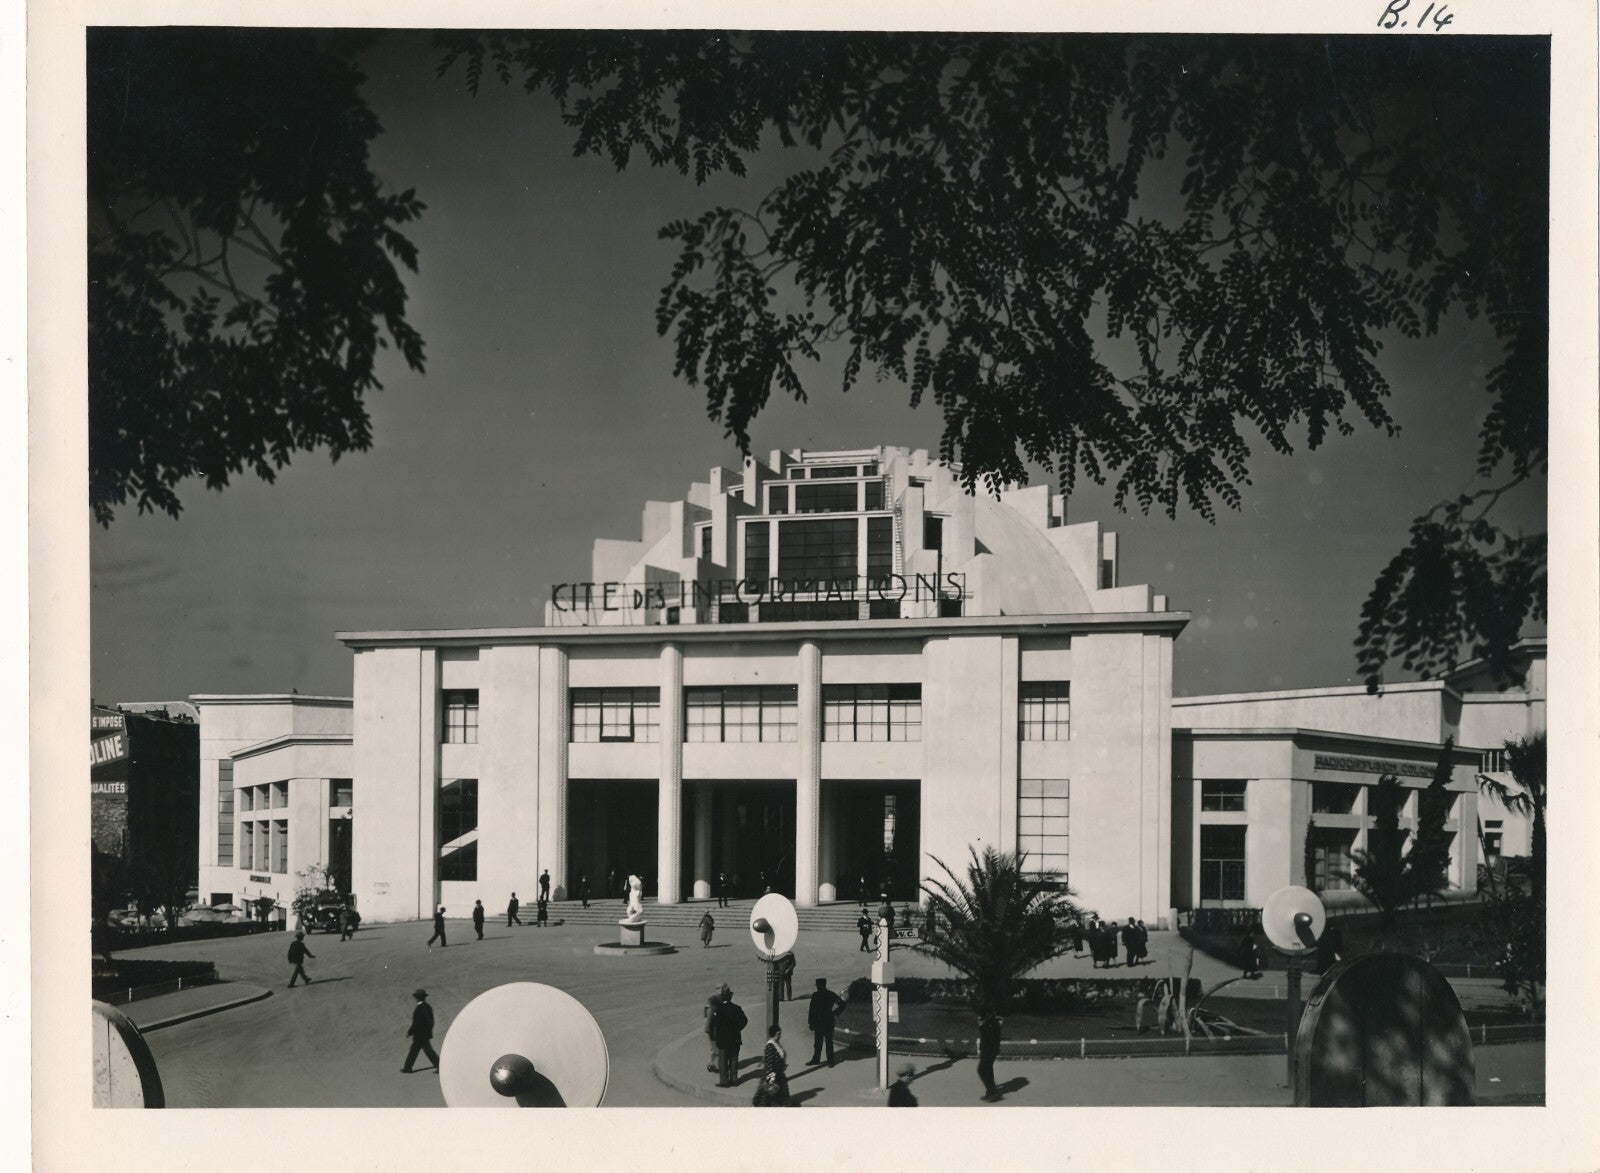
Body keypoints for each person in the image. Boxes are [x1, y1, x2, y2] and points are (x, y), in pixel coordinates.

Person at [709, 985, 748, 1088]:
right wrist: (738, 1029)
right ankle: (734, 1080)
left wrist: (714, 1036)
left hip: (722, 1040)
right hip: (735, 1038)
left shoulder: (718, 1010)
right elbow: (744, 1021)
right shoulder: (737, 1008)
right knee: (734, 1059)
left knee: (723, 1060)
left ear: (722, 998)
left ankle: (724, 1081)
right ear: (730, 997)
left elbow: (714, 1025)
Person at [807, 977, 847, 1066]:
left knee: (818, 1043)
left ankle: (816, 1060)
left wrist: (810, 1023)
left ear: (818, 985)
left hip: (818, 1022)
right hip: (829, 1021)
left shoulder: (815, 995)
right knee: (829, 1043)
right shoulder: (831, 994)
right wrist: (835, 1012)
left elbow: (812, 1010)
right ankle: (830, 1061)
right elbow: (842, 1004)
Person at [401, 988, 439, 1073]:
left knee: (415, 1051)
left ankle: (408, 1068)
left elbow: (417, 1023)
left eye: (416, 997)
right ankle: (408, 1067)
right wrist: (428, 1031)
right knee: (427, 1051)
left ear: (418, 998)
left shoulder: (421, 1008)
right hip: (423, 1034)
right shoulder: (427, 1007)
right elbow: (430, 1022)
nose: (415, 999)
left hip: (420, 1035)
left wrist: (410, 1032)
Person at [753, 1024, 789, 1106]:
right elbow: (769, 1062)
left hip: (779, 1074)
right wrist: (771, 1078)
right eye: (779, 1033)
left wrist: (782, 1065)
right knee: (768, 1097)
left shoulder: (776, 1043)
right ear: (775, 1034)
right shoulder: (770, 1045)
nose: (780, 1035)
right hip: (772, 1075)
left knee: (777, 1096)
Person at [976, 1013, 1002, 1101]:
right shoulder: (991, 1020)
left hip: (989, 1049)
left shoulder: (991, 1022)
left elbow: (990, 1036)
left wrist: (982, 1024)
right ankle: (990, 1091)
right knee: (988, 1069)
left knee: (982, 1069)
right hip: (989, 1049)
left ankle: (993, 1091)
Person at [703, 992, 721, 1073]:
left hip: (713, 1034)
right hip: (714, 1035)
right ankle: (715, 1066)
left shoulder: (710, 1010)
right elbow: (708, 1024)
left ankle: (711, 1064)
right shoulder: (712, 1011)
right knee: (716, 1052)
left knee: (714, 1050)